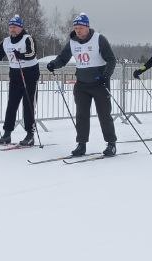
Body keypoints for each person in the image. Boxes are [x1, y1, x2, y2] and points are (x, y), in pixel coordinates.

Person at [45, 13, 118, 157]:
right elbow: (63, 58)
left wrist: (105, 76)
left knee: (104, 115)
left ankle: (111, 144)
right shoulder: (73, 41)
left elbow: (111, 60)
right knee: (81, 115)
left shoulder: (99, 39)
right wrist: (54, 64)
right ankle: (81, 144)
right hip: (82, 84)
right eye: (76, 28)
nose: (78, 30)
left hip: (99, 83)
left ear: (87, 27)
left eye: (80, 28)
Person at [0, 14, 39, 146]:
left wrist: (21, 55)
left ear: (21, 28)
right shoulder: (6, 42)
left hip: (29, 74)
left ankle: (30, 135)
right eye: (10, 27)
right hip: (15, 75)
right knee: (11, 105)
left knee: (28, 106)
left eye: (15, 27)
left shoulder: (28, 38)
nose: (12, 30)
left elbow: (32, 53)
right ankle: (7, 134)